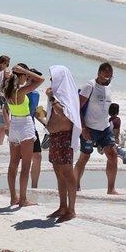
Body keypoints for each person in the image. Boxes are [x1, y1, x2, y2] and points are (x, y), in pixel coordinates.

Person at [2, 63, 45, 207]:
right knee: (26, 165)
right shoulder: (20, 92)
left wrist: (14, 74)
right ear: (19, 76)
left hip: (14, 124)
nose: (26, 78)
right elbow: (41, 80)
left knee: (13, 164)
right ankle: (23, 199)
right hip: (25, 125)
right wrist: (25, 71)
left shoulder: (7, 91)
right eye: (24, 76)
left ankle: (13, 197)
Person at [75, 62, 119, 195]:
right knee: (85, 157)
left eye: (110, 77)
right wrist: (83, 127)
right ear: (99, 73)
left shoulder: (109, 87)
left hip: (105, 128)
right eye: (106, 77)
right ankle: (75, 186)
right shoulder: (90, 86)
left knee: (113, 155)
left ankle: (111, 189)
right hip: (89, 128)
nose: (108, 80)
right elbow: (77, 107)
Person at [46, 65, 82, 222]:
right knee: (58, 174)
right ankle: (62, 206)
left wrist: (52, 98)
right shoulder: (57, 96)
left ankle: (71, 209)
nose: (51, 81)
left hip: (64, 139)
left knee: (67, 173)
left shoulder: (64, 96)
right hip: (55, 138)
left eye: (53, 78)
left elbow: (63, 113)